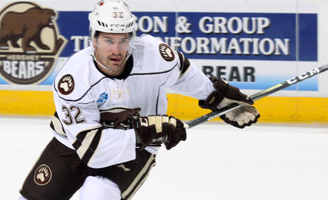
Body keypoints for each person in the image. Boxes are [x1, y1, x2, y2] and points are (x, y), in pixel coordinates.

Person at [19, 0, 260, 199]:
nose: (117, 49)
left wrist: (215, 97)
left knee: (97, 194)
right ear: (93, 40)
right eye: (108, 40)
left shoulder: (155, 55)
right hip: (74, 143)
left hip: (137, 150)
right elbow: (91, 146)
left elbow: (184, 73)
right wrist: (146, 128)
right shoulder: (73, 79)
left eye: (123, 40)